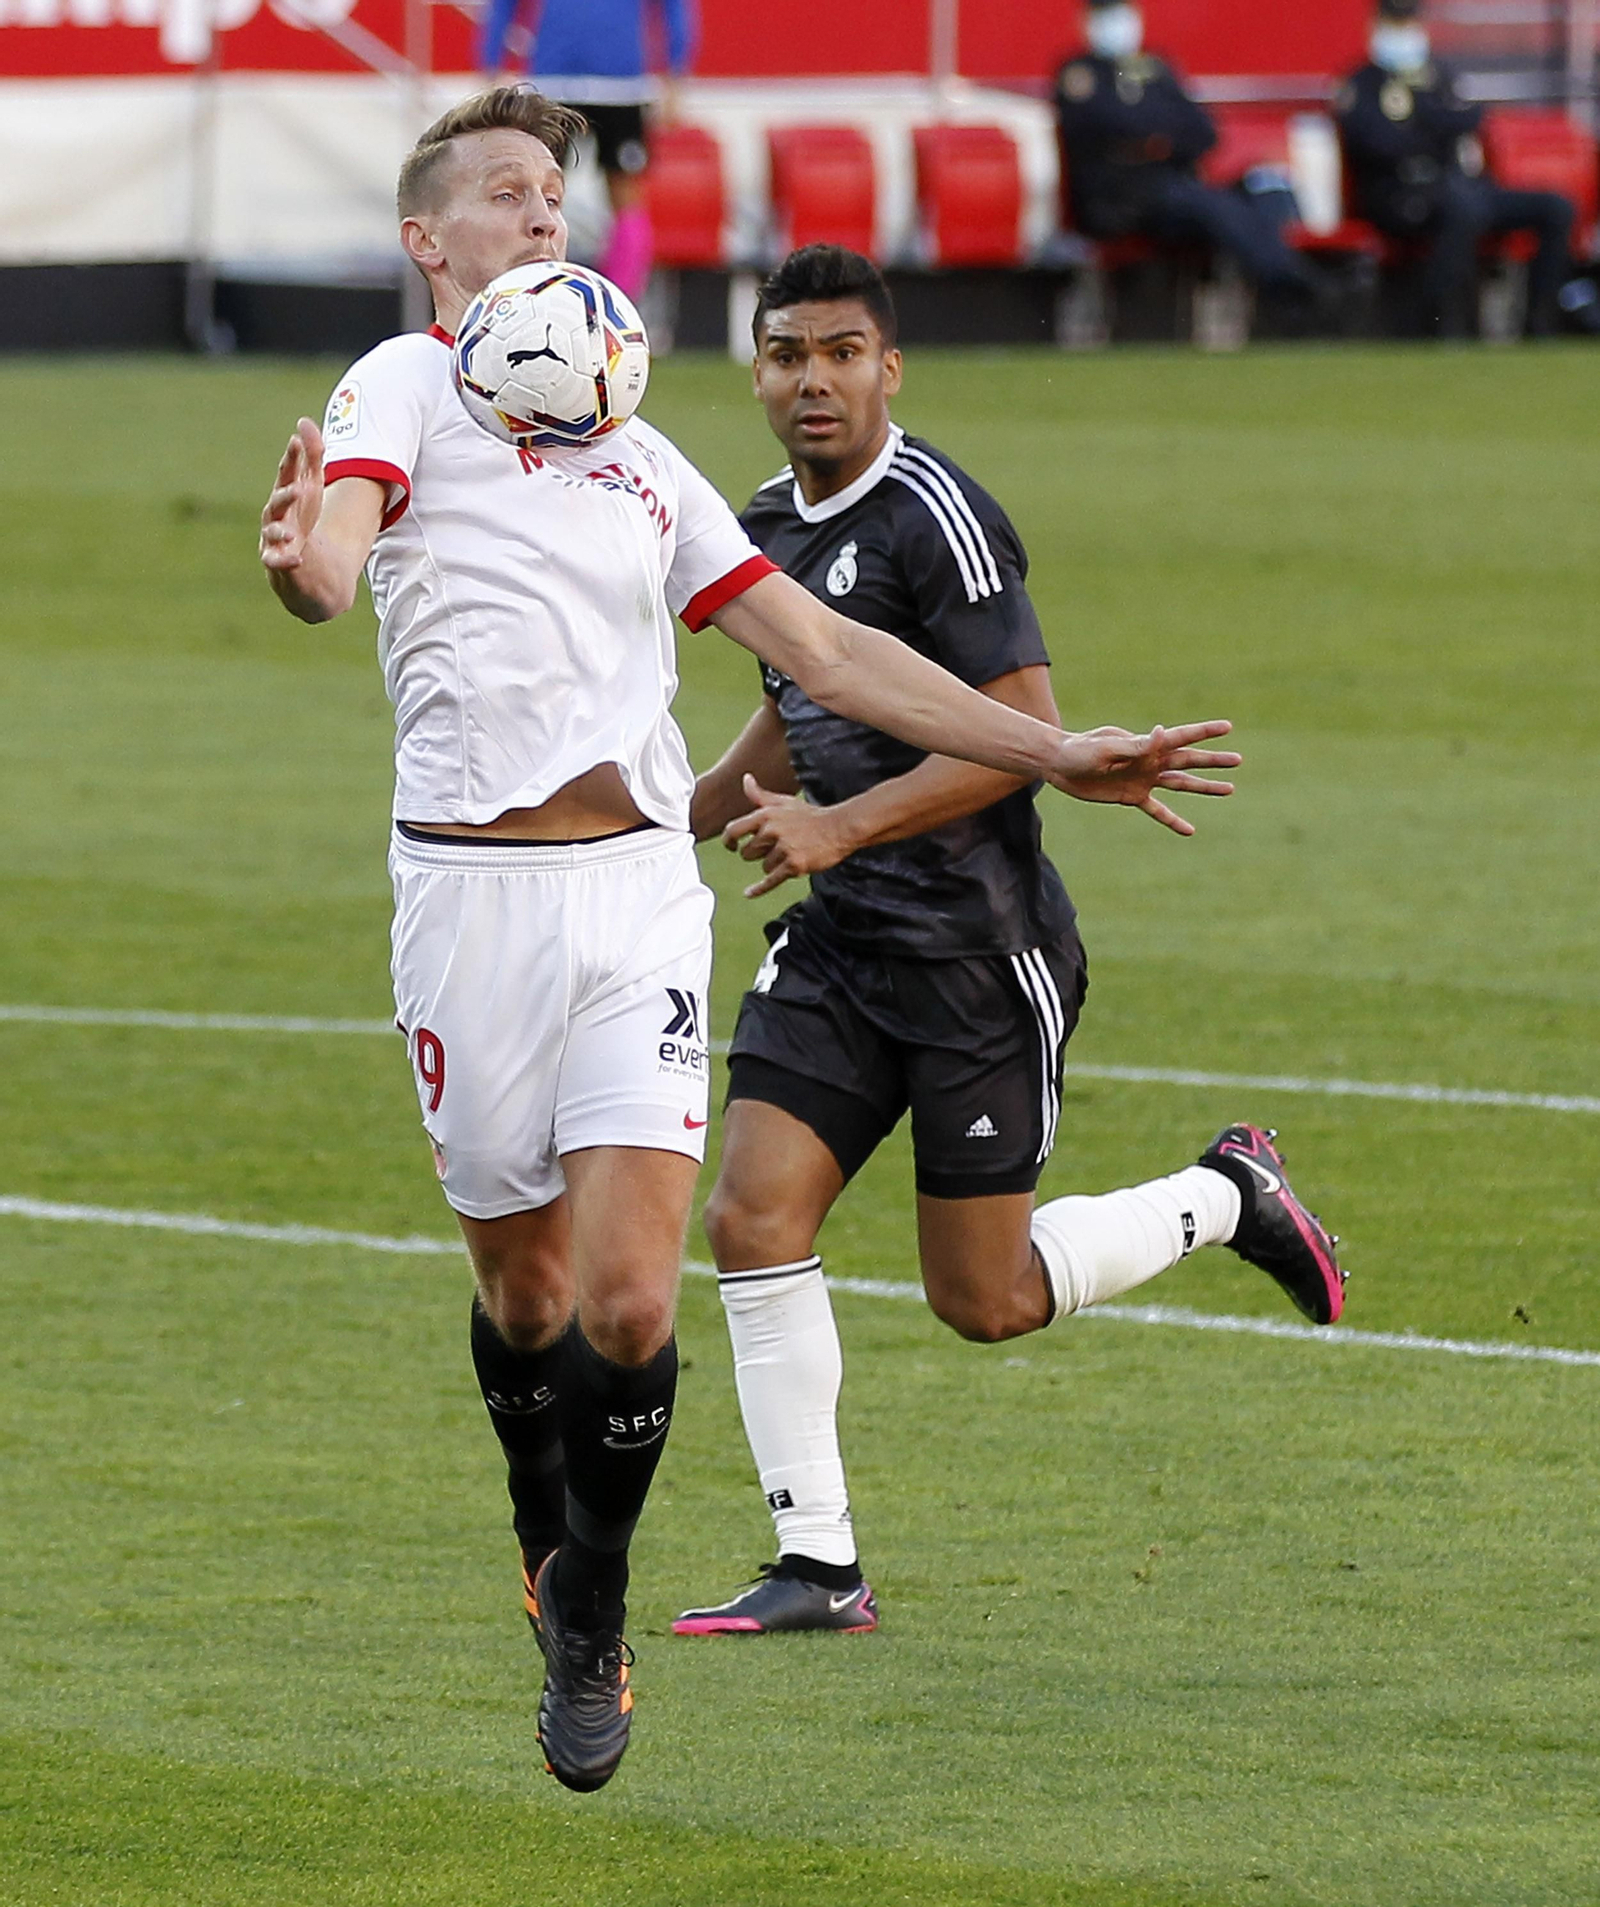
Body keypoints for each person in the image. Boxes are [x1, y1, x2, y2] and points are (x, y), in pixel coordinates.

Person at [256, 94, 1240, 1788]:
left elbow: (830, 653)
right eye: (503, 196)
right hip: (464, 907)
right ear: (431, 245)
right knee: (527, 1292)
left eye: (557, 198)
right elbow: (338, 546)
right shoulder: (402, 389)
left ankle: (594, 1610)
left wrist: (1058, 751)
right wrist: (305, 569)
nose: (542, 219)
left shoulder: (638, 453)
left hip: (637, 899)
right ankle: (536, 1516)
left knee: (633, 1303)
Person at [671, 245, 1344, 1639]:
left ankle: (1229, 1191)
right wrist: (663, 818)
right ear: (755, 369)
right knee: (749, 1215)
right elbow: (792, 698)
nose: (814, 379)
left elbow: (1023, 742)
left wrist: (839, 826)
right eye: (788, 353)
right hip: (843, 948)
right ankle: (819, 1561)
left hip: (979, 955)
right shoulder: (758, 522)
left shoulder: (939, 519)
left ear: (890, 366)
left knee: (983, 1298)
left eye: (843, 352)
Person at [1336, 0, 1585, 338]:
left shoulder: (1438, 74)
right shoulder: (1361, 83)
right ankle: (1441, 327)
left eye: (1409, 20)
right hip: (1399, 194)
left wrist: (1419, 122)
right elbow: (1378, 143)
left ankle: (1540, 325)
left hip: (1457, 185)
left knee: (1556, 207)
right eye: (1396, 21)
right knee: (1463, 209)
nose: (1404, 31)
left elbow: (1469, 118)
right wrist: (1435, 125)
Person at [1053, 0, 1317, 306]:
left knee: (1265, 187)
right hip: (1120, 198)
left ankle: (1284, 281)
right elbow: (1105, 124)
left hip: (1170, 184)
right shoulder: (1080, 73)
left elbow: (1202, 132)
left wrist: (1156, 136)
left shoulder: (1154, 67)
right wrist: (1157, 129)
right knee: (1209, 203)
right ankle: (1289, 284)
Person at [478, 0, 695, 300]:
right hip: (554, 81)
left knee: (626, 197)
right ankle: (531, 295)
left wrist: (675, 75)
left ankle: (618, 303)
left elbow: (673, 6)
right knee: (534, 191)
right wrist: (491, 65)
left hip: (619, 84)